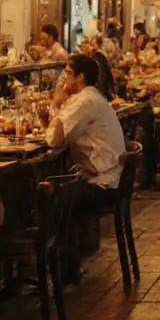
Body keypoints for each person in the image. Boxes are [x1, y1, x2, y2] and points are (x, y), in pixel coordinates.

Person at [47, 54, 126, 209]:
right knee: (51, 185)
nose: (63, 77)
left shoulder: (85, 101)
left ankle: (56, 233)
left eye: (68, 73)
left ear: (80, 77)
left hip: (102, 184)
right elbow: (58, 130)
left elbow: (55, 141)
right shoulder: (86, 97)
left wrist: (56, 101)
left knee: (47, 194)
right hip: (105, 176)